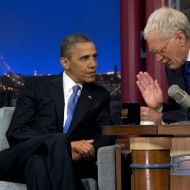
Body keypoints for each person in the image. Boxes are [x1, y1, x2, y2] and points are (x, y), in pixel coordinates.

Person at [0, 33, 115, 190]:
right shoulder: (36, 86)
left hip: (70, 163)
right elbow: (16, 132)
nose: (93, 64)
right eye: (84, 58)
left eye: (94, 57)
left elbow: (107, 133)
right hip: (21, 158)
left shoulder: (99, 95)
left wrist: (85, 150)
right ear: (65, 62)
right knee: (57, 141)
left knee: (38, 164)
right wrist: (65, 146)